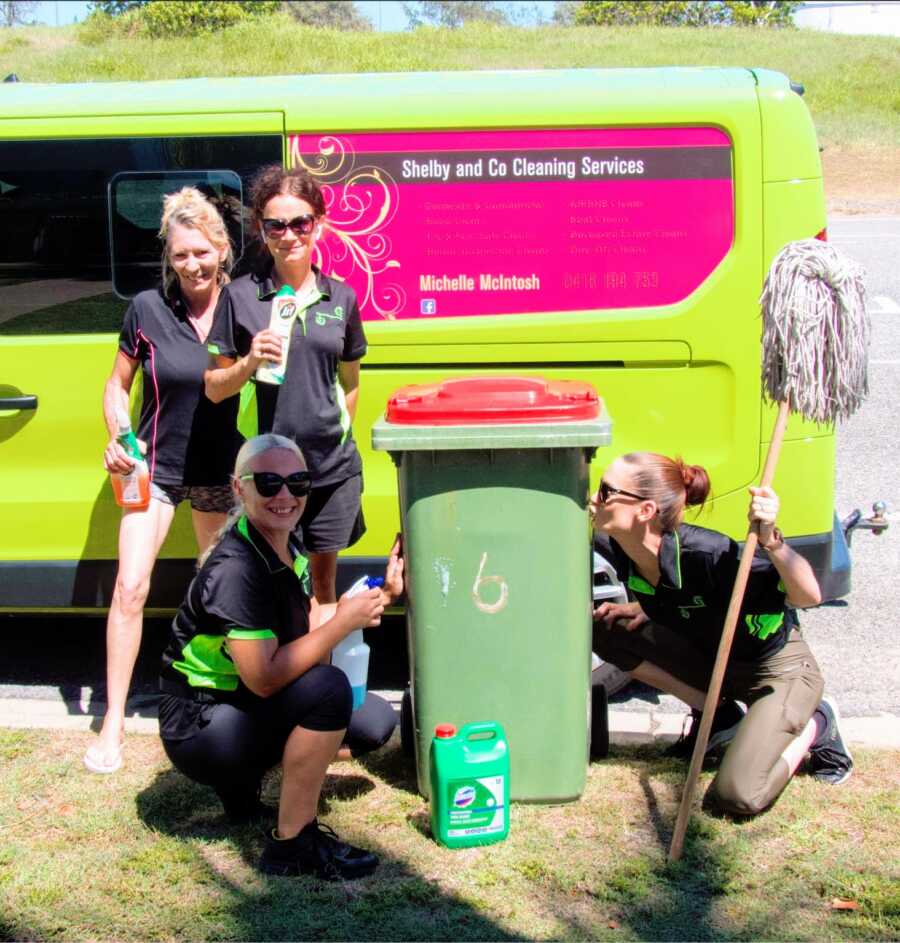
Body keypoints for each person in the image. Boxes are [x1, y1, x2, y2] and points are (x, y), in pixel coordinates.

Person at [158, 433, 403, 881]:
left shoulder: (286, 540)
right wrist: (342, 623)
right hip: (200, 724)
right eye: (268, 483)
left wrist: (383, 593)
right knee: (328, 691)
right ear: (239, 489)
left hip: (233, 703)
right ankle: (292, 843)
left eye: (298, 482)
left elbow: (307, 624)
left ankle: (244, 788)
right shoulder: (237, 567)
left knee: (371, 720)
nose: (286, 495)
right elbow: (265, 679)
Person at [591, 452, 853, 817]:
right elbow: (679, 598)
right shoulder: (617, 546)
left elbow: (807, 596)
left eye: (606, 491)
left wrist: (772, 541)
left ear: (646, 510)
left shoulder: (708, 554)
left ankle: (817, 724)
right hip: (715, 661)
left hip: (774, 669)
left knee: (737, 796)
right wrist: (640, 607)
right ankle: (720, 718)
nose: (594, 498)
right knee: (605, 629)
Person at [84, 188, 241, 775]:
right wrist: (117, 430)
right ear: (167, 259)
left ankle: (218, 705)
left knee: (220, 597)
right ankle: (113, 722)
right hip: (156, 470)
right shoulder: (148, 309)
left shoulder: (243, 306)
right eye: (180, 256)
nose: (192, 265)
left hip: (224, 475)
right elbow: (114, 384)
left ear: (222, 249)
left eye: (201, 252)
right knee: (129, 588)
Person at [205, 165, 366, 607]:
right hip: (267, 473)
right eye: (276, 224)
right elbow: (215, 387)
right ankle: (277, 673)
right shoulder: (240, 297)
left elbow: (350, 382)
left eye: (301, 222)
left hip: (331, 470)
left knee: (324, 586)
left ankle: (322, 676)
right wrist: (250, 361)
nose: (289, 234)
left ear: (320, 225)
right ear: (261, 229)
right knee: (271, 586)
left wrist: (337, 431)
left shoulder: (342, 298)